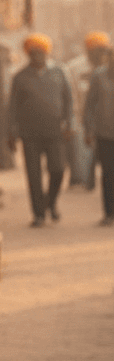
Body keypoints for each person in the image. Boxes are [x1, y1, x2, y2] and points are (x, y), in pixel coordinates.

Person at [8, 33, 73, 226]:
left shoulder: (60, 72)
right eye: (33, 53)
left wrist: (69, 123)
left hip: (54, 132)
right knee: (34, 176)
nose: (37, 56)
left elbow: (69, 101)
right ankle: (38, 214)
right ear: (29, 55)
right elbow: (12, 108)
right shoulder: (20, 77)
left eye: (41, 53)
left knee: (58, 170)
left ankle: (50, 202)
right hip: (30, 134)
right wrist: (11, 133)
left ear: (47, 53)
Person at [66, 31, 111, 187]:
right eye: (96, 50)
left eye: (102, 50)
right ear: (88, 50)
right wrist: (72, 119)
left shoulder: (108, 69)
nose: (99, 54)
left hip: (106, 119)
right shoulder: (75, 67)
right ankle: (82, 179)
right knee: (82, 153)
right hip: (81, 117)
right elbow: (70, 95)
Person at [83, 40, 114, 226]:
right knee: (108, 173)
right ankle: (109, 213)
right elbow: (89, 105)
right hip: (104, 134)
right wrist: (88, 129)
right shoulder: (98, 76)